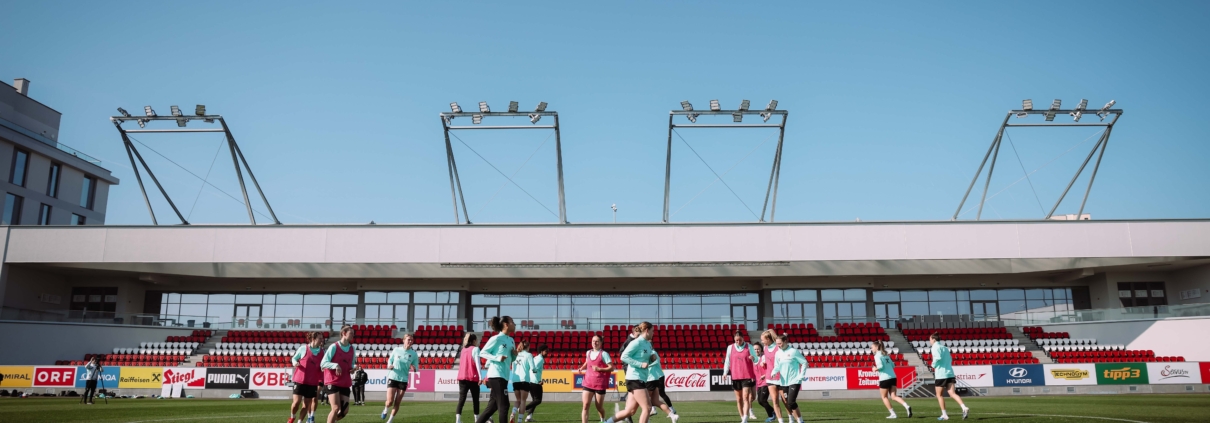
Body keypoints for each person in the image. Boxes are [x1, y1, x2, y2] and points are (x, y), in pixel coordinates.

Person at [604, 322, 656, 423]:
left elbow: (645, 359)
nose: (653, 333)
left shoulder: (648, 344)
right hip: (635, 378)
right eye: (652, 331)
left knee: (630, 411)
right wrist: (640, 364)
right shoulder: (636, 342)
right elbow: (623, 356)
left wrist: (651, 359)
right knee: (647, 408)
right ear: (647, 330)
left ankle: (607, 422)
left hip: (640, 378)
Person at [475, 316, 518, 423]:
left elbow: (511, 359)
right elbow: (482, 352)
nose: (515, 324)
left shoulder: (511, 340)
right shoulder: (496, 338)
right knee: (504, 405)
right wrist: (497, 358)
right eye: (512, 322)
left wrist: (515, 355)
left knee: (492, 407)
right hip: (496, 375)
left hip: (504, 375)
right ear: (506, 324)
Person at [321, 325, 357, 423]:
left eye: (353, 334)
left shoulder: (352, 349)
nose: (353, 335)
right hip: (332, 381)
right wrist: (335, 365)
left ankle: (332, 421)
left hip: (344, 382)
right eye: (351, 333)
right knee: (336, 408)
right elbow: (323, 363)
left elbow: (352, 364)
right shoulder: (334, 347)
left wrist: (353, 368)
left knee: (344, 411)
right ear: (344, 333)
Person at [929, 333, 968, 421]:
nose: (929, 341)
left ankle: (944, 415)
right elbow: (950, 359)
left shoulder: (935, 347)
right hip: (950, 373)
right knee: (952, 393)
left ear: (934, 339)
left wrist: (933, 365)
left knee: (939, 395)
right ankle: (964, 407)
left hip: (941, 374)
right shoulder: (945, 348)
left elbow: (937, 358)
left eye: (930, 339)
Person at [724, 330, 759, 423]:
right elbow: (727, 361)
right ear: (734, 340)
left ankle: (745, 419)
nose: (738, 342)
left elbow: (756, 360)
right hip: (736, 376)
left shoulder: (749, 347)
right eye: (736, 340)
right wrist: (725, 373)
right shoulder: (730, 348)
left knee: (745, 397)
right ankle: (742, 417)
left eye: (740, 340)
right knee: (739, 399)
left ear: (743, 339)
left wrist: (753, 358)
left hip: (747, 375)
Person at [291, 332, 326, 423]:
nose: (321, 340)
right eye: (320, 338)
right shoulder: (303, 348)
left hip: (312, 382)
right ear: (313, 339)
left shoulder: (322, 352)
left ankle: (300, 421)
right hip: (300, 380)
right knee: (296, 403)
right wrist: (295, 363)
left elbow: (324, 363)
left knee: (306, 404)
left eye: (322, 338)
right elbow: (294, 358)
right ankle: (292, 417)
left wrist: (324, 367)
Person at [578, 334, 613, 423]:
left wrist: (599, 369)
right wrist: (582, 368)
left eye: (597, 341)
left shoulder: (604, 354)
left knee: (599, 407)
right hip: (588, 382)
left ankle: (602, 420)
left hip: (600, 384)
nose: (595, 343)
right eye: (593, 341)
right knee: (585, 405)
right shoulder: (588, 352)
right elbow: (587, 361)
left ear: (601, 343)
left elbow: (612, 368)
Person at [384, 333, 419, 423]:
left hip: (403, 380)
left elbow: (416, 367)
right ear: (404, 340)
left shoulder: (414, 354)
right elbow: (390, 360)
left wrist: (414, 368)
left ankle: (390, 421)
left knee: (397, 402)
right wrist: (389, 365)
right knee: (390, 401)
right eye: (409, 339)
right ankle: (385, 409)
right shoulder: (396, 350)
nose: (410, 341)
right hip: (393, 376)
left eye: (412, 340)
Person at [872, 340, 911, 419]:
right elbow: (893, 365)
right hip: (893, 377)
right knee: (893, 396)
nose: (871, 349)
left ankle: (893, 414)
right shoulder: (886, 355)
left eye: (872, 347)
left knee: (884, 397)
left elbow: (880, 367)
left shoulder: (877, 356)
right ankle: (906, 406)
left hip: (884, 378)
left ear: (876, 347)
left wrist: (875, 369)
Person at [771, 334, 806, 423]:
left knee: (791, 402)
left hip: (794, 381)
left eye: (780, 343)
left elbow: (805, 362)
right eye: (777, 344)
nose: (778, 346)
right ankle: (797, 420)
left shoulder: (793, 351)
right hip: (783, 382)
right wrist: (774, 372)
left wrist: (801, 375)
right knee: (787, 403)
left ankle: (800, 421)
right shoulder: (777, 353)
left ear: (786, 341)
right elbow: (777, 366)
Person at [643, 349, 679, 423]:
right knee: (655, 400)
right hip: (655, 378)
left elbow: (655, 361)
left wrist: (645, 365)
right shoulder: (649, 352)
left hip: (653, 378)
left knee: (647, 399)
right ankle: (672, 415)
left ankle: (648, 418)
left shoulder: (651, 352)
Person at [457, 333, 484, 423]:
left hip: (462, 377)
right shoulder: (475, 349)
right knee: (475, 400)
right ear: (473, 341)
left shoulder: (463, 350)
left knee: (462, 399)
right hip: (472, 377)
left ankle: (458, 420)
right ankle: (477, 419)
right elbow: (478, 364)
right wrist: (480, 377)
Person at [758, 331, 783, 423]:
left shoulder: (778, 347)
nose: (762, 342)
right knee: (775, 401)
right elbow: (768, 361)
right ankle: (780, 421)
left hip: (781, 377)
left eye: (763, 340)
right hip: (770, 378)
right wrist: (764, 363)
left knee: (786, 401)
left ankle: (791, 418)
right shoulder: (765, 348)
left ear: (768, 339)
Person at [510, 340, 535, 423]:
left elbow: (512, 367)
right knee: (523, 401)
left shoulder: (515, 354)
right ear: (528, 346)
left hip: (515, 379)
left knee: (518, 400)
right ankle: (519, 420)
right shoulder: (528, 355)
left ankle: (513, 413)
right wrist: (535, 371)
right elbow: (533, 368)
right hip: (524, 379)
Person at [752, 343, 776, 423]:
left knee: (762, 400)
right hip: (759, 383)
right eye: (755, 349)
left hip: (766, 382)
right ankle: (773, 411)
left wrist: (765, 375)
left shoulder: (764, 357)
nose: (756, 350)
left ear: (761, 350)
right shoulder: (753, 359)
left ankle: (771, 415)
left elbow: (770, 367)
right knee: (760, 401)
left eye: (758, 349)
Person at [524, 344, 549, 421]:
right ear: (541, 351)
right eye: (546, 351)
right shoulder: (540, 359)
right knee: (538, 400)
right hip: (535, 382)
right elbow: (533, 370)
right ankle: (523, 409)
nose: (547, 352)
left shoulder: (536, 358)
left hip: (530, 382)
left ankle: (529, 417)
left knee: (534, 400)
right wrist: (538, 381)